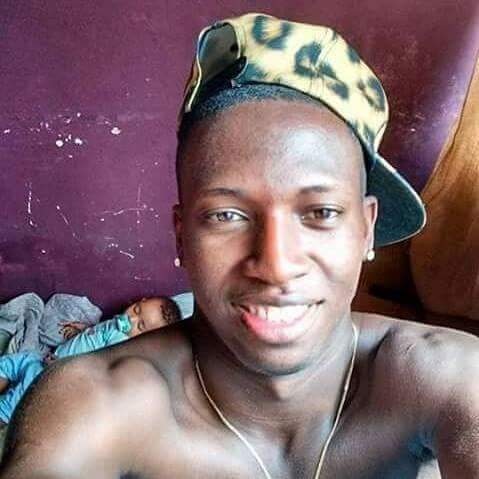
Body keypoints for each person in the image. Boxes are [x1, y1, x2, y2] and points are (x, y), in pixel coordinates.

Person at [1, 13, 478, 479]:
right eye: (227, 215)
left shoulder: (440, 375)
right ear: (182, 237)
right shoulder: (96, 403)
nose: (276, 265)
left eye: (321, 212)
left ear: (366, 230)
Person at [0, 296, 180, 425]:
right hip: (46, 362)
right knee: (12, 363)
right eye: (137, 310)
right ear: (141, 300)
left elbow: (94, 371)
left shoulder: (121, 345)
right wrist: (84, 330)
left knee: (19, 397)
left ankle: (3, 416)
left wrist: (61, 369)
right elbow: (98, 337)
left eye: (140, 326)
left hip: (56, 378)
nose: (130, 319)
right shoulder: (117, 325)